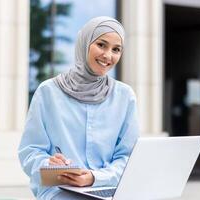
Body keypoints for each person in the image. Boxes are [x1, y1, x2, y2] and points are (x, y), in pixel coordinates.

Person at [18, 16, 139, 200]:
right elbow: (30, 151)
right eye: (101, 45)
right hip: (60, 191)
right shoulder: (48, 92)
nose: (108, 55)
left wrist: (94, 178)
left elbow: (128, 158)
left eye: (116, 49)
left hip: (108, 188)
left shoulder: (125, 96)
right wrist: (49, 163)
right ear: (84, 43)